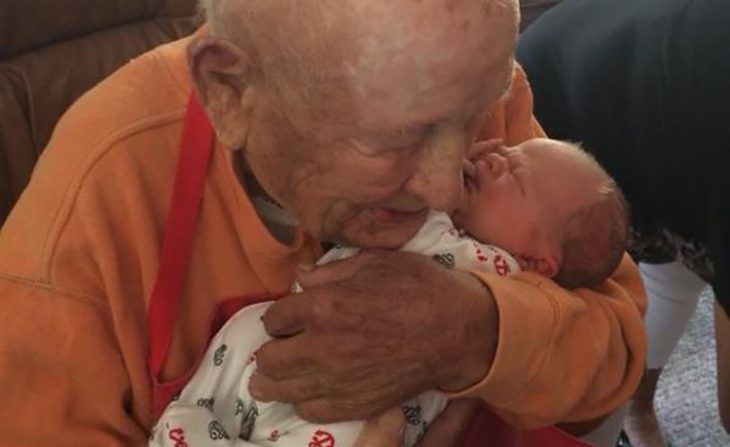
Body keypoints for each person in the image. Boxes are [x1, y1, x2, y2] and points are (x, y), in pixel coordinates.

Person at [0, 0, 647, 445]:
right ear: (228, 91)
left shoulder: (468, 87)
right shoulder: (91, 213)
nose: (450, 184)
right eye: (400, 139)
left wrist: (476, 330)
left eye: (475, 115)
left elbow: (614, 355)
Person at [149, 138, 630, 447]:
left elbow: (616, 344)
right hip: (269, 364)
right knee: (242, 334)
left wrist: (486, 328)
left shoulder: (496, 261)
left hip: (360, 420)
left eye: (514, 172)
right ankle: (188, 423)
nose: (489, 149)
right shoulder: (126, 164)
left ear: (538, 260)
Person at [516, 0, 730, 445]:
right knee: (573, 353)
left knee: (677, 275)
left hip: (665, 95)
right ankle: (617, 417)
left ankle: (637, 408)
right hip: (556, 116)